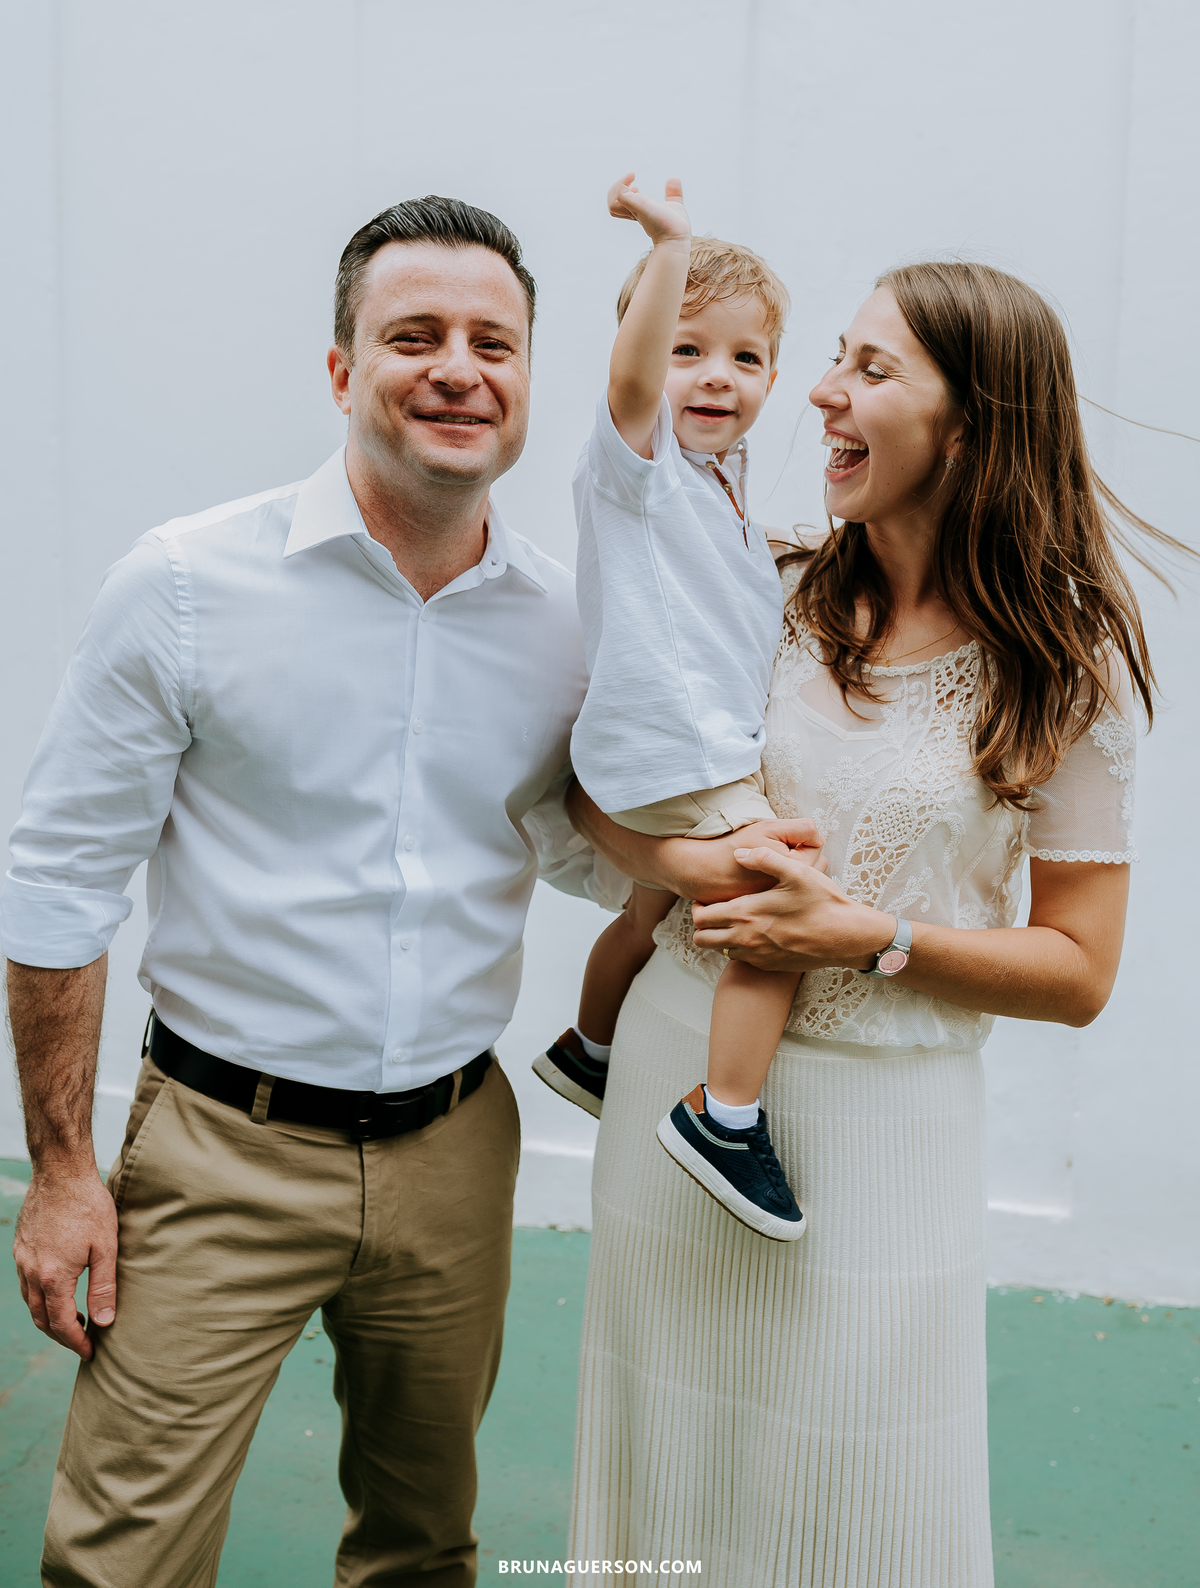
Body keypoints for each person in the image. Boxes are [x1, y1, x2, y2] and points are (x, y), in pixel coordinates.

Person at [1, 194, 644, 1588]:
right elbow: (59, 874)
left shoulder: (562, 626)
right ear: (344, 370)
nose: (459, 368)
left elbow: (586, 847)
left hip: (457, 1150)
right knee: (122, 1557)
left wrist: (743, 852)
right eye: (414, 335)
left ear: (529, 380)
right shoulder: (182, 585)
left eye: (496, 341)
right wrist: (60, 1167)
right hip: (220, 1147)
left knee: (422, 1549)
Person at [564, 261, 1172, 1586]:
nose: (823, 392)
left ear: (972, 427)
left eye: (873, 369)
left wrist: (868, 937)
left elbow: (1079, 970)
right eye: (835, 356)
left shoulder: (1066, 667)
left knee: (861, 1504)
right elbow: (591, 787)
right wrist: (694, 860)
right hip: (679, 1086)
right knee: (666, 1478)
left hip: (883, 1135)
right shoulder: (765, 583)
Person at [532, 174, 811, 1241]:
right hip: (676, 754)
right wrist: (671, 248)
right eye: (689, 350)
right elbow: (637, 377)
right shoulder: (635, 468)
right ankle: (724, 1116)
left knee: (643, 917)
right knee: (778, 914)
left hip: (668, 754)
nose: (716, 378)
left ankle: (588, 1046)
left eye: (745, 359)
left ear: (775, 377)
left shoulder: (727, 487)